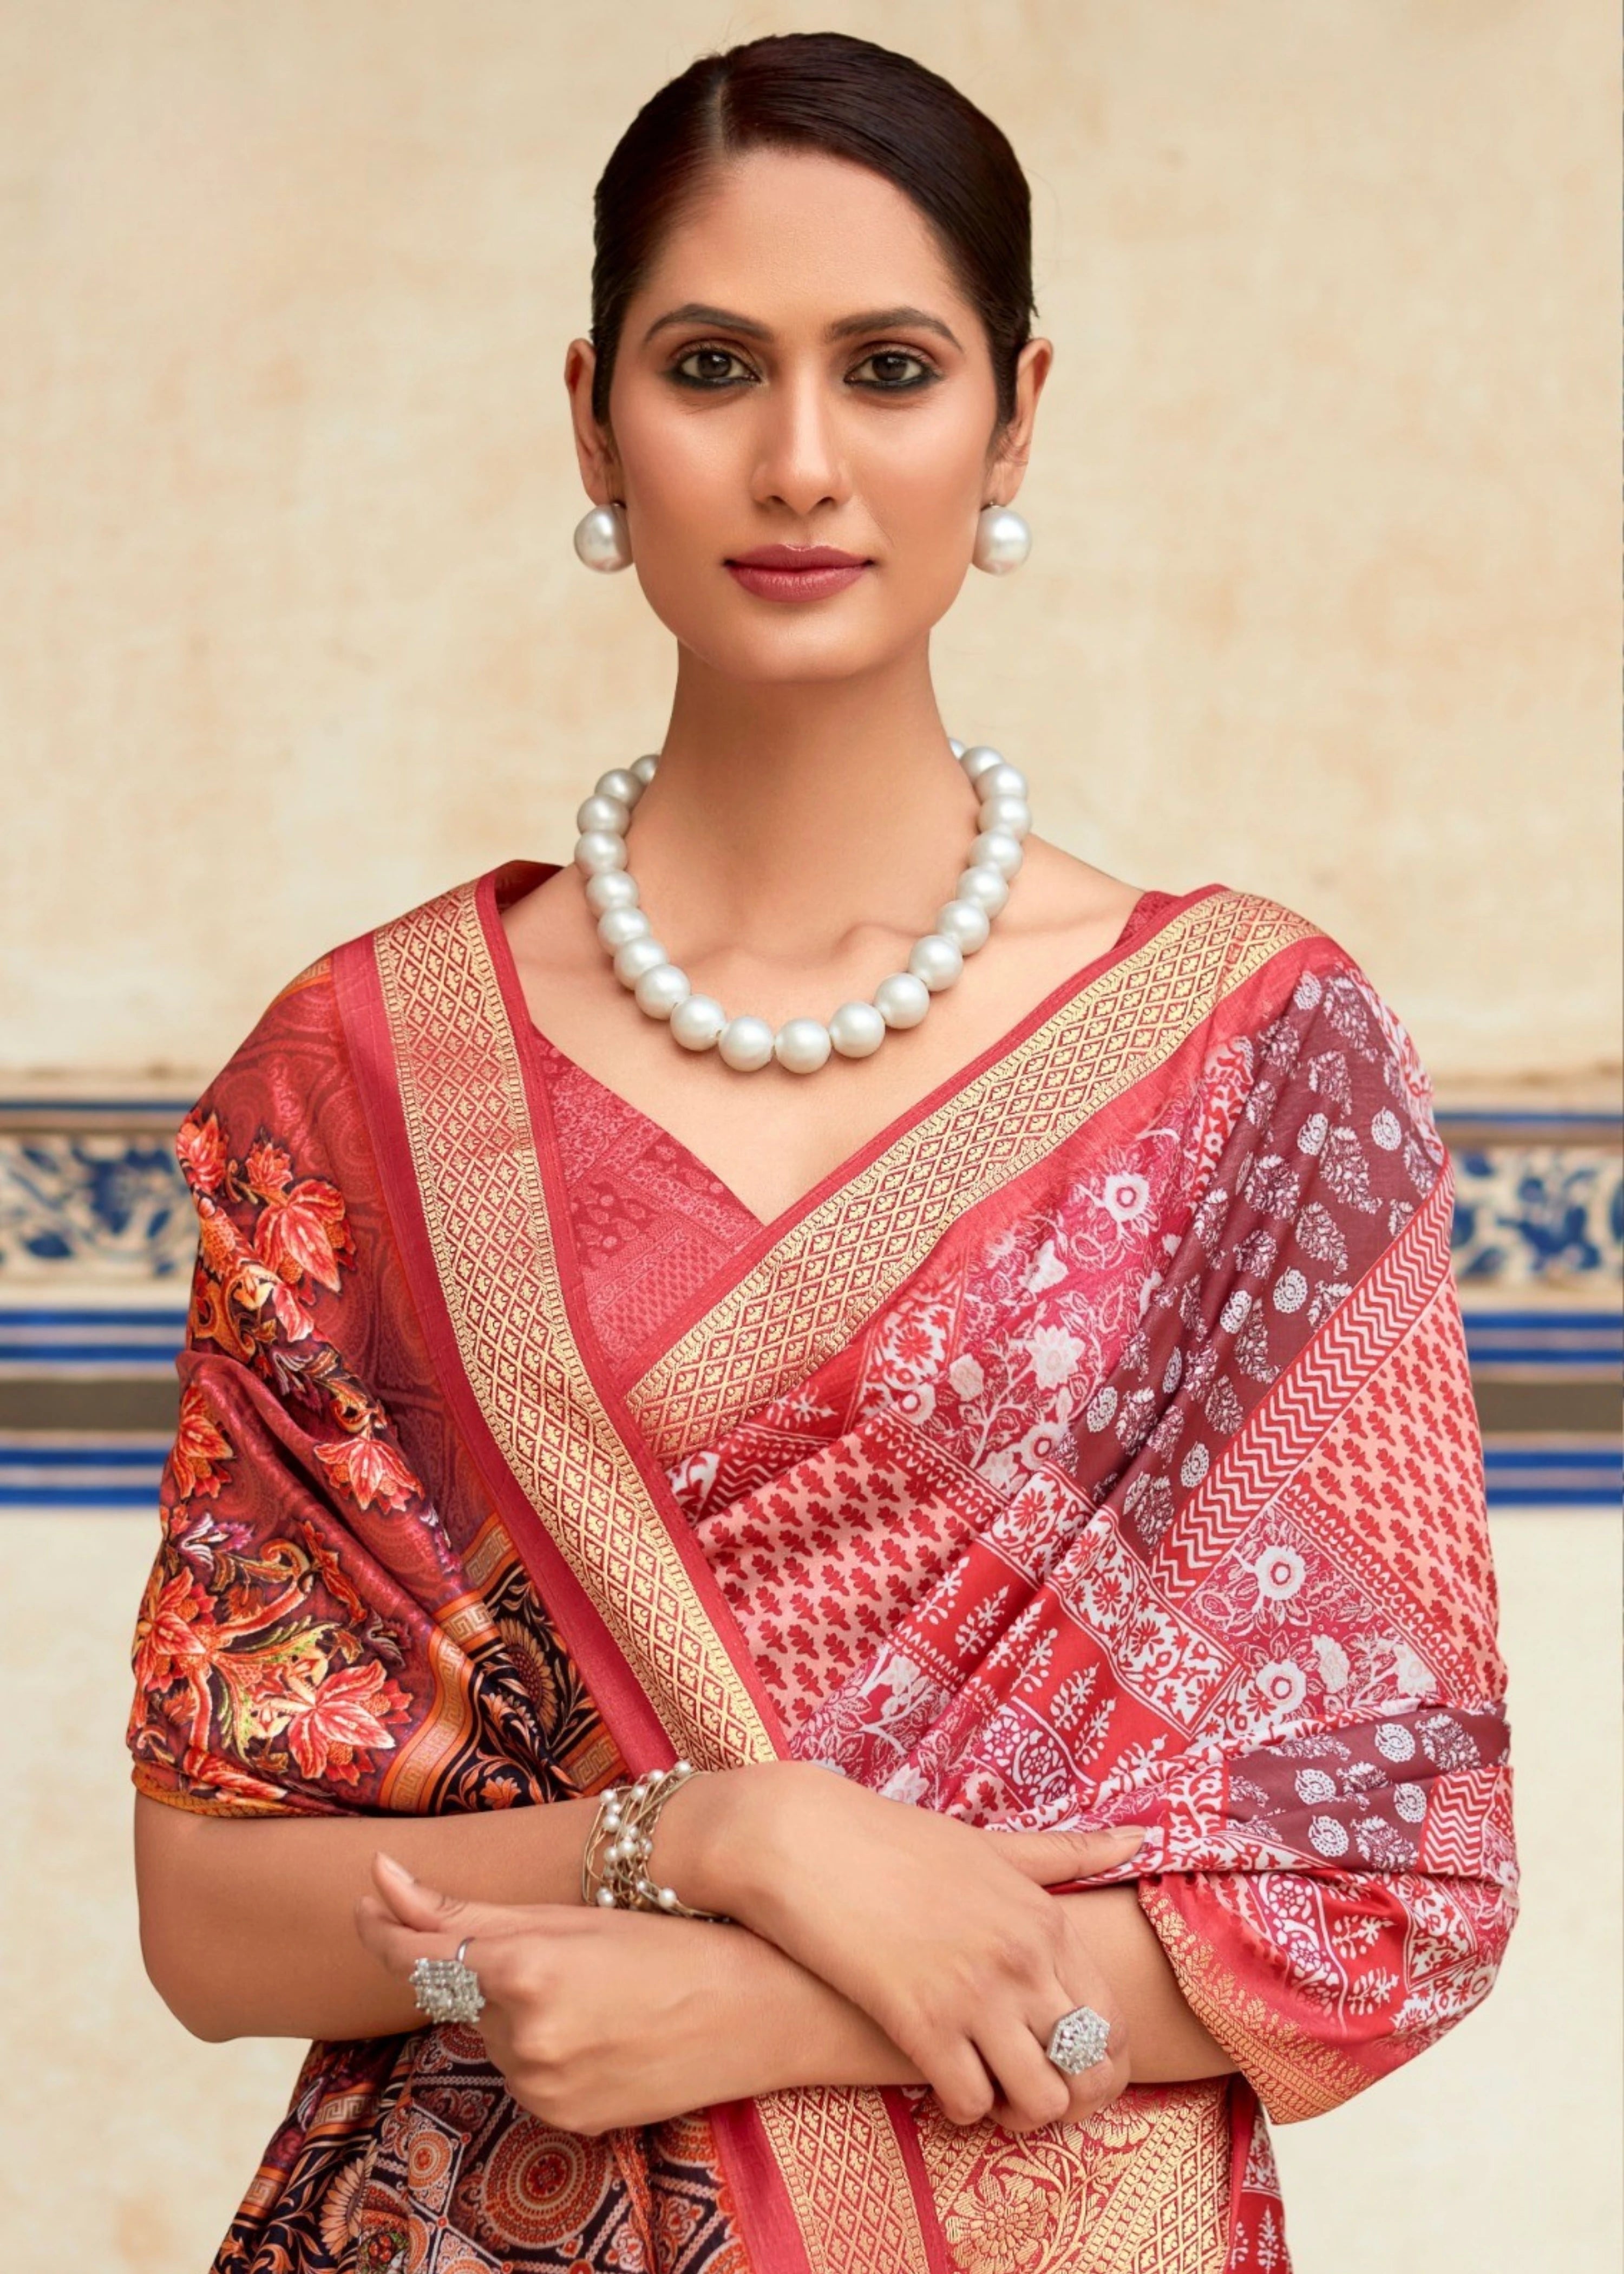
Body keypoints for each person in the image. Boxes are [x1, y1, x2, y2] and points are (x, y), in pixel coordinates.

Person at [129, 31, 1515, 2274]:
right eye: (711, 368)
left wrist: (748, 2007)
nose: (798, 464)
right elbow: (215, 1919)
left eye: (888, 367)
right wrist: (717, 1836)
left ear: (1016, 413)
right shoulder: (362, 1075)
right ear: (591, 415)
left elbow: (1395, 1895)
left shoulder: (1253, 1061)